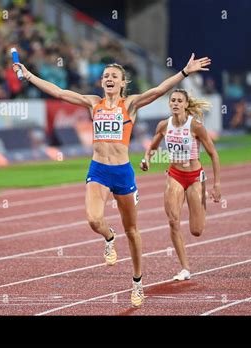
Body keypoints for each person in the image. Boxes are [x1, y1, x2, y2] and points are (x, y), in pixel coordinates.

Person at [13, 53, 211, 307]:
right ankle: (108, 236)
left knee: (132, 232)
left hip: (123, 173)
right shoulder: (92, 103)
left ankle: (137, 282)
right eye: (105, 76)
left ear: (122, 83)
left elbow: (160, 89)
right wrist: (28, 75)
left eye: (114, 77)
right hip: (98, 171)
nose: (108, 79)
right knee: (94, 219)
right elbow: (59, 92)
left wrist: (184, 72)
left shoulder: (130, 105)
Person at [140, 88, 221, 281]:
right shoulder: (163, 125)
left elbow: (213, 154)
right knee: (173, 220)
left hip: (194, 178)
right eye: (173, 100)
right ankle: (185, 268)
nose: (175, 103)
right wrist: (147, 159)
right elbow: (151, 147)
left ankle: (200, 210)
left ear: (185, 104)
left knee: (197, 230)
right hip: (175, 175)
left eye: (179, 101)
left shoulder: (196, 126)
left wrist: (217, 184)